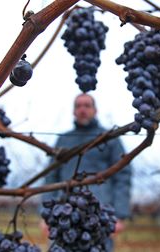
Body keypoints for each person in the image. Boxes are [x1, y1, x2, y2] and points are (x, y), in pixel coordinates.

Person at [41, 93, 132, 251]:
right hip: (64, 214)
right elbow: (51, 177)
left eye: (87, 105)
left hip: (98, 215)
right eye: (78, 106)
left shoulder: (109, 138)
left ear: (95, 110)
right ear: (73, 111)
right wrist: (46, 214)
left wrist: (119, 214)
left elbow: (123, 176)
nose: (82, 109)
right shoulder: (63, 140)